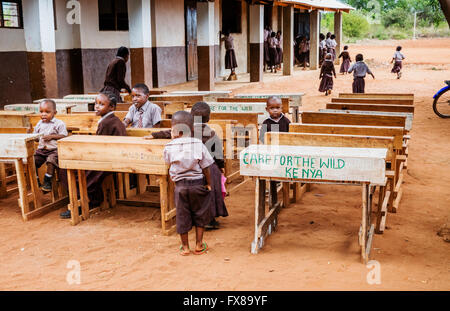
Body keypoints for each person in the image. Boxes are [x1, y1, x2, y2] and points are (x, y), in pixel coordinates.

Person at [149, 102, 229, 230]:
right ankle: (210, 219)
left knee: (192, 195)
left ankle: (191, 218)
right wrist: (221, 166)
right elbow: (218, 152)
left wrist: (153, 135)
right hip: (208, 167)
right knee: (209, 193)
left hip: (189, 167)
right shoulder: (211, 133)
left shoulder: (184, 131)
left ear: (190, 117)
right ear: (208, 118)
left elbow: (167, 132)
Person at [60, 92, 127, 219]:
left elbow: (102, 146)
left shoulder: (108, 122)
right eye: (96, 103)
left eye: (101, 104)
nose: (97, 106)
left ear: (111, 107)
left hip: (109, 159)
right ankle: (91, 198)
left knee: (70, 168)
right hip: (105, 155)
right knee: (73, 166)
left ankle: (82, 202)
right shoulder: (108, 119)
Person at [163, 111, 214, 256]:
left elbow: (168, 164)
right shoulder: (198, 143)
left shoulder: (169, 146)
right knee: (200, 213)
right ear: (191, 129)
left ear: (173, 129)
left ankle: (185, 247)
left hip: (180, 187)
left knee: (182, 215)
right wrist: (209, 184)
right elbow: (206, 167)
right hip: (197, 184)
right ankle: (199, 245)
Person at [259, 96, 290, 209]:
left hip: (285, 152)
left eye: (278, 108)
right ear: (267, 109)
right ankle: (273, 184)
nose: (275, 110)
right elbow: (262, 139)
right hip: (271, 153)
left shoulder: (286, 121)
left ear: (282, 108)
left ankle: (283, 186)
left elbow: (291, 137)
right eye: (272, 108)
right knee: (270, 166)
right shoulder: (266, 123)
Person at [33, 99, 68, 192]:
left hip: (54, 150)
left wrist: (52, 137)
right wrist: (31, 135)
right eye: (41, 112)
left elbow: (64, 135)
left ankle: (47, 181)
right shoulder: (39, 124)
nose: (43, 114)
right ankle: (36, 180)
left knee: (51, 160)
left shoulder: (59, 123)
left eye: (47, 112)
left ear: (54, 112)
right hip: (41, 150)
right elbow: (36, 138)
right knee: (32, 161)